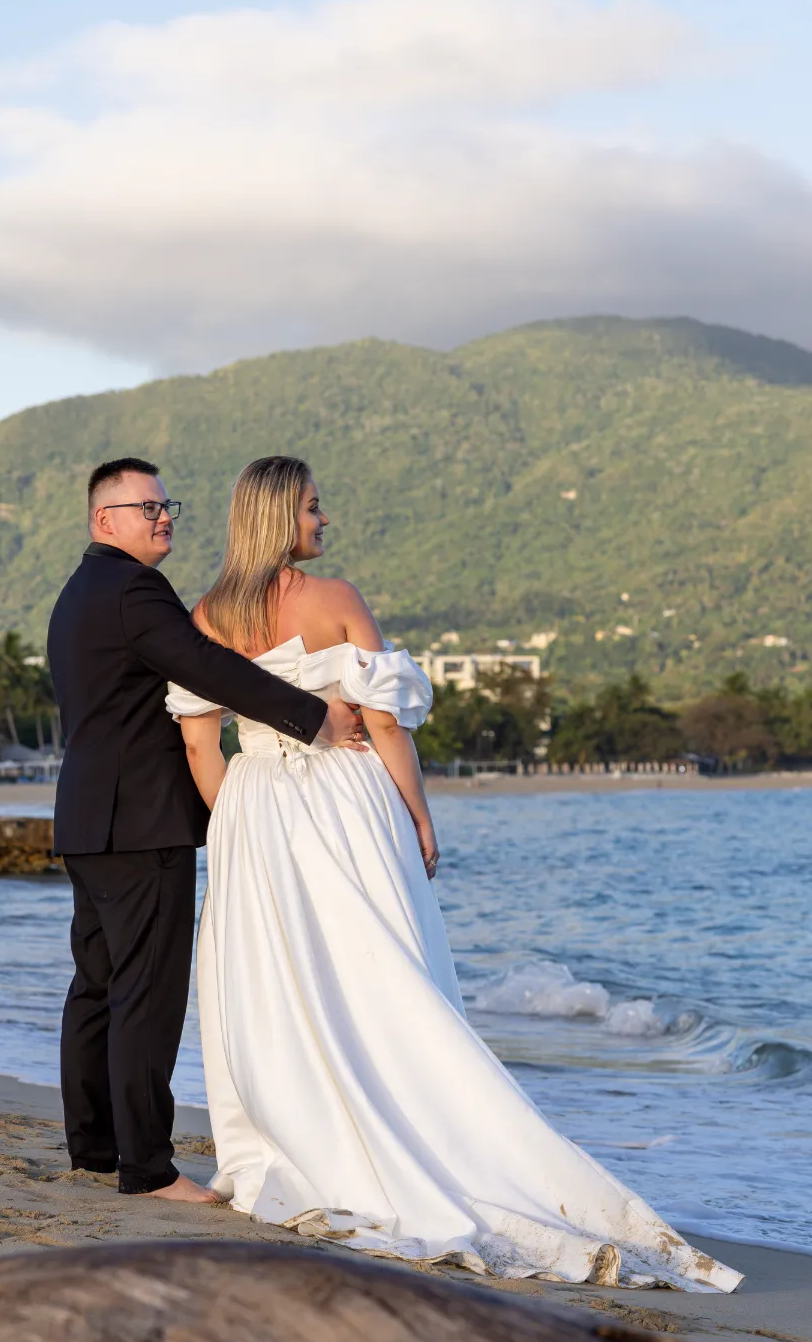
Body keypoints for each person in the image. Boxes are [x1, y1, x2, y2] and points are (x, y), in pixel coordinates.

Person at [168, 455, 741, 1291]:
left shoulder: (206, 614)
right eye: (314, 509)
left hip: (253, 808)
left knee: (279, 982)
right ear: (279, 517)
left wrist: (238, 828)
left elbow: (196, 740)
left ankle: (300, 1141)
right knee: (382, 967)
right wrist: (419, 815)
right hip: (344, 804)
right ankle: (419, 1129)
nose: (325, 523)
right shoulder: (336, 601)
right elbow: (384, 724)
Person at [48, 457, 365, 1201]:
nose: (164, 516)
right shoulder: (134, 590)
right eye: (147, 506)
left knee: (95, 985)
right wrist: (314, 715)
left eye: (168, 505)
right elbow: (207, 668)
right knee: (143, 994)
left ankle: (93, 1149)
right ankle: (148, 1170)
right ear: (105, 521)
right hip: (140, 819)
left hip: (88, 816)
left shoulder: (77, 592)